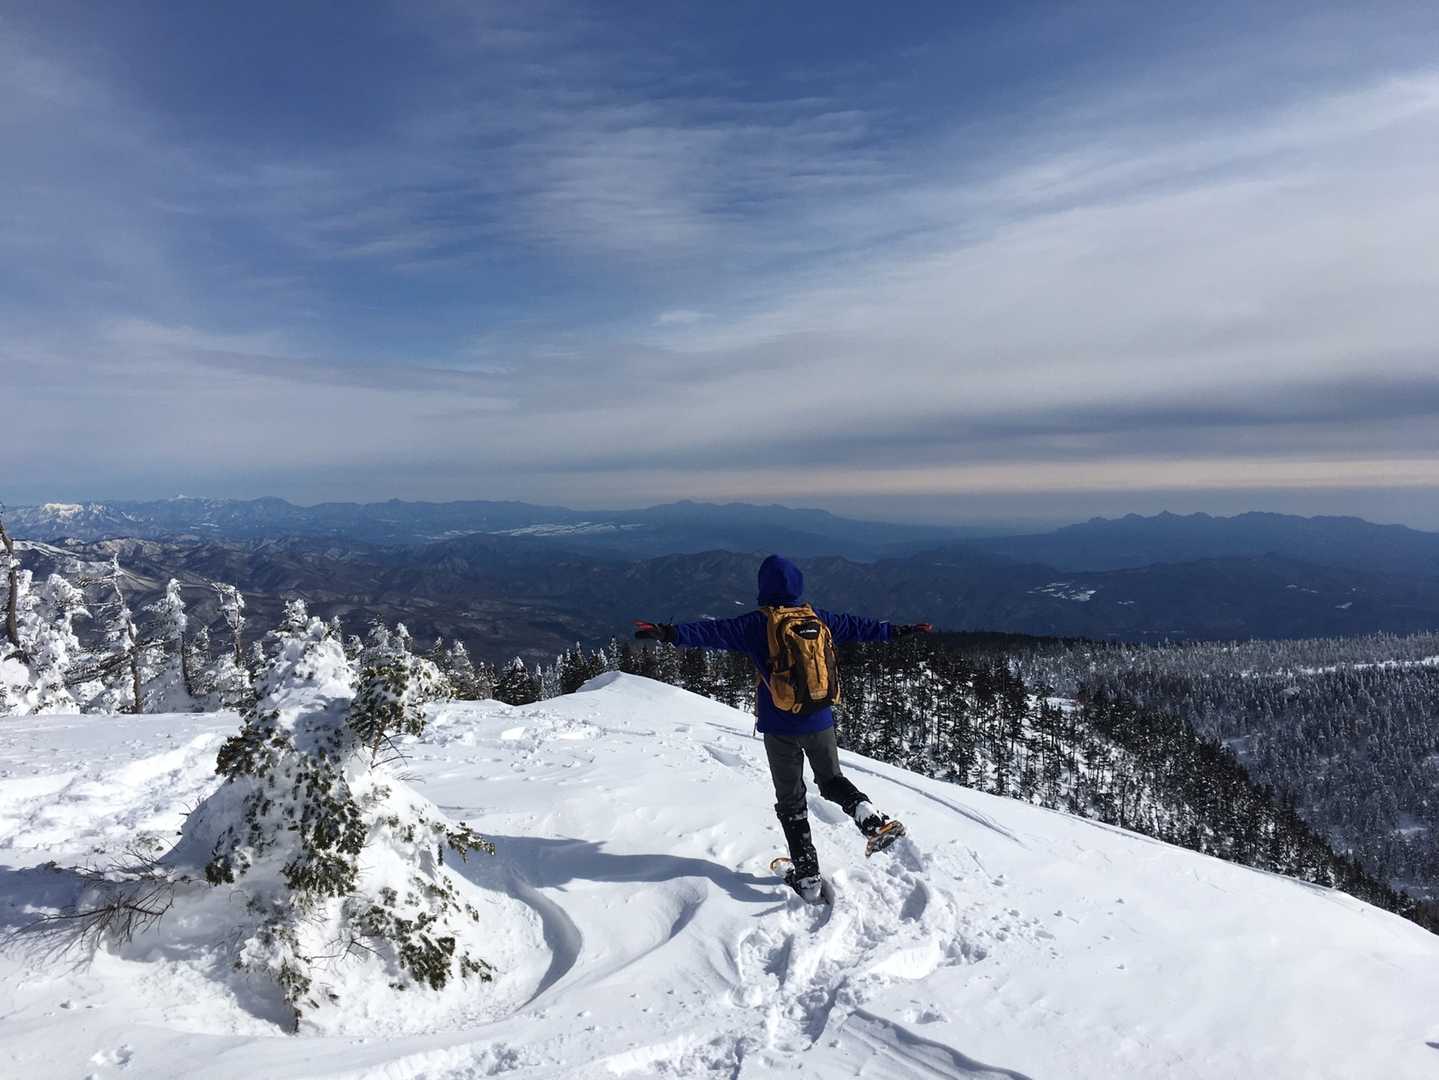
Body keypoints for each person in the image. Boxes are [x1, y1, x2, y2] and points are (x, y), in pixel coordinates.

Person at [635, 553, 931, 901]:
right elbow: (860, 626)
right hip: (820, 718)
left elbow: (712, 632)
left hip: (779, 726)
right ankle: (866, 814)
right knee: (831, 780)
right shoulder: (818, 618)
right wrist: (899, 631)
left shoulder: (757, 624)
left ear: (764, 588)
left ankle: (807, 876)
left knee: (791, 801)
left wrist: (667, 632)